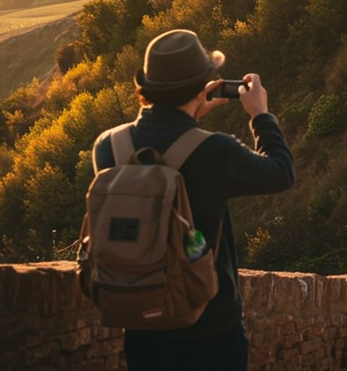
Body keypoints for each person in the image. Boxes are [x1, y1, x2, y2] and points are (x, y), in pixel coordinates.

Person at [91, 29, 294, 371]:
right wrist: (260, 115)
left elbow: (160, 156)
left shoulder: (109, 145)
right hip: (209, 327)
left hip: (140, 323)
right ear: (203, 87)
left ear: (148, 88)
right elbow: (281, 172)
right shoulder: (216, 151)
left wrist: (190, 117)